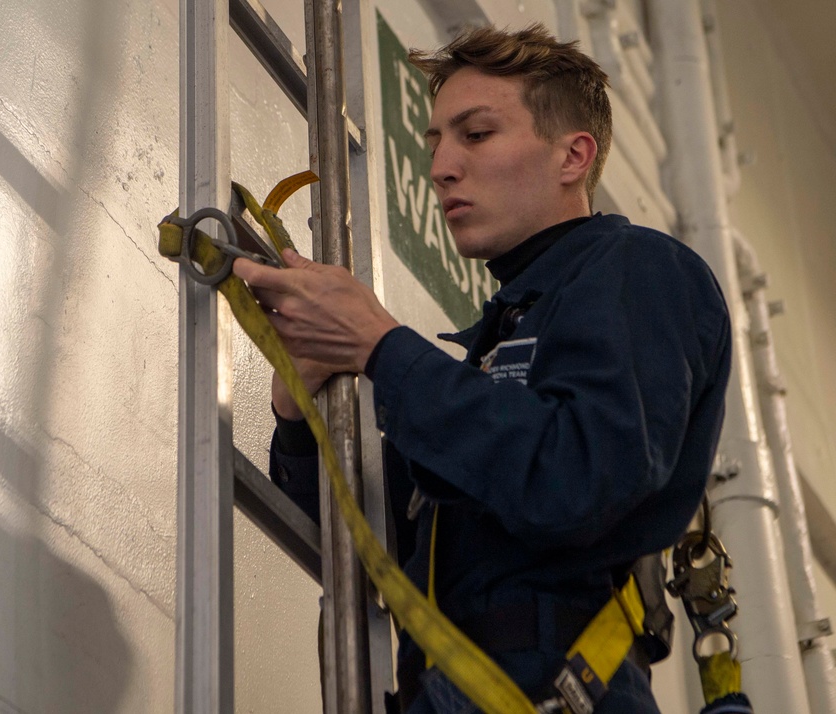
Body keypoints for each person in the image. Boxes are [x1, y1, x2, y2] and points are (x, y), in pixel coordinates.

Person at [233, 23, 731, 714]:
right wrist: (298, 406)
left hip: (552, 690)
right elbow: (370, 538)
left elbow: (578, 480)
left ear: (572, 156)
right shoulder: (503, 343)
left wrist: (382, 345)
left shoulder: (639, 271)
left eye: (476, 134)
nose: (440, 166)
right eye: (435, 141)